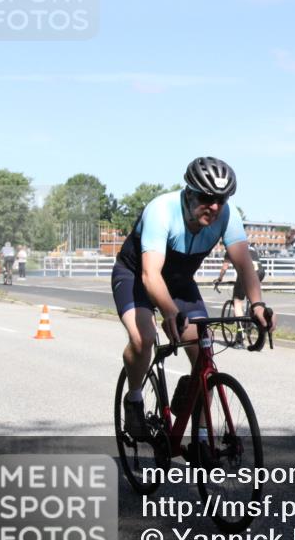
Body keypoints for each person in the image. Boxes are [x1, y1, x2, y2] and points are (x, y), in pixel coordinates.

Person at [111, 157, 275, 439]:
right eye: (207, 198)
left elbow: (244, 265)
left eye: (221, 200)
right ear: (189, 193)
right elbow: (151, 275)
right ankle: (134, 398)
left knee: (204, 355)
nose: (214, 207)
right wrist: (169, 312)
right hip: (136, 277)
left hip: (178, 282)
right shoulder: (162, 210)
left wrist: (257, 305)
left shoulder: (227, 214)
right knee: (144, 338)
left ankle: (201, 438)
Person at [215, 241, 267, 346]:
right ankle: (252, 318)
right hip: (260, 272)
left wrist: (219, 279)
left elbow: (224, 268)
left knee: (237, 301)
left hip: (247, 272)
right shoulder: (250, 247)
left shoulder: (231, 248)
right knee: (254, 300)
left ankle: (240, 336)